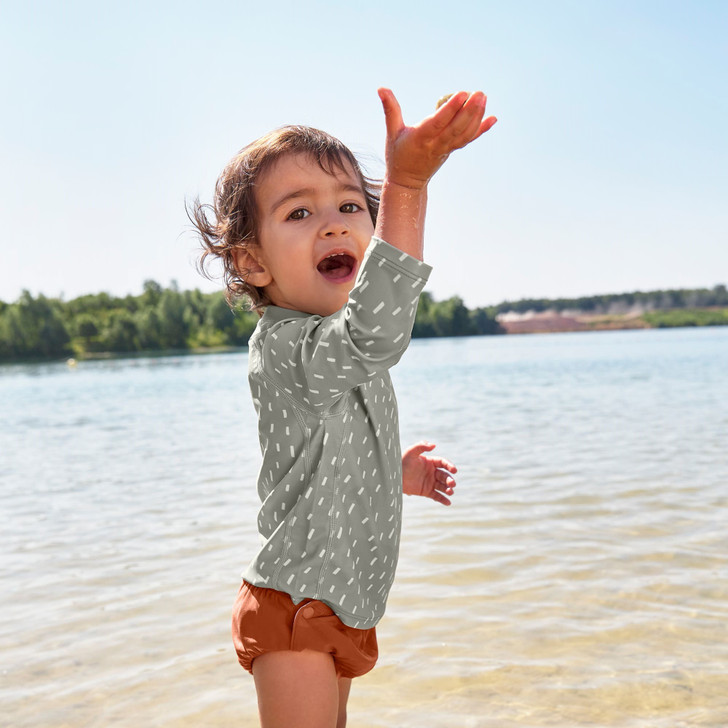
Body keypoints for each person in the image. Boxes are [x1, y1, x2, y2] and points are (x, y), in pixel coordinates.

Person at [190, 88, 496, 728]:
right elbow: (374, 333)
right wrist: (408, 184)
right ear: (252, 262)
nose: (333, 223)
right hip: (295, 607)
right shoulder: (284, 346)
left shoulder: (340, 352)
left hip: (344, 609)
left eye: (352, 206)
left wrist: (394, 473)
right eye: (299, 213)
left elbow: (330, 455)